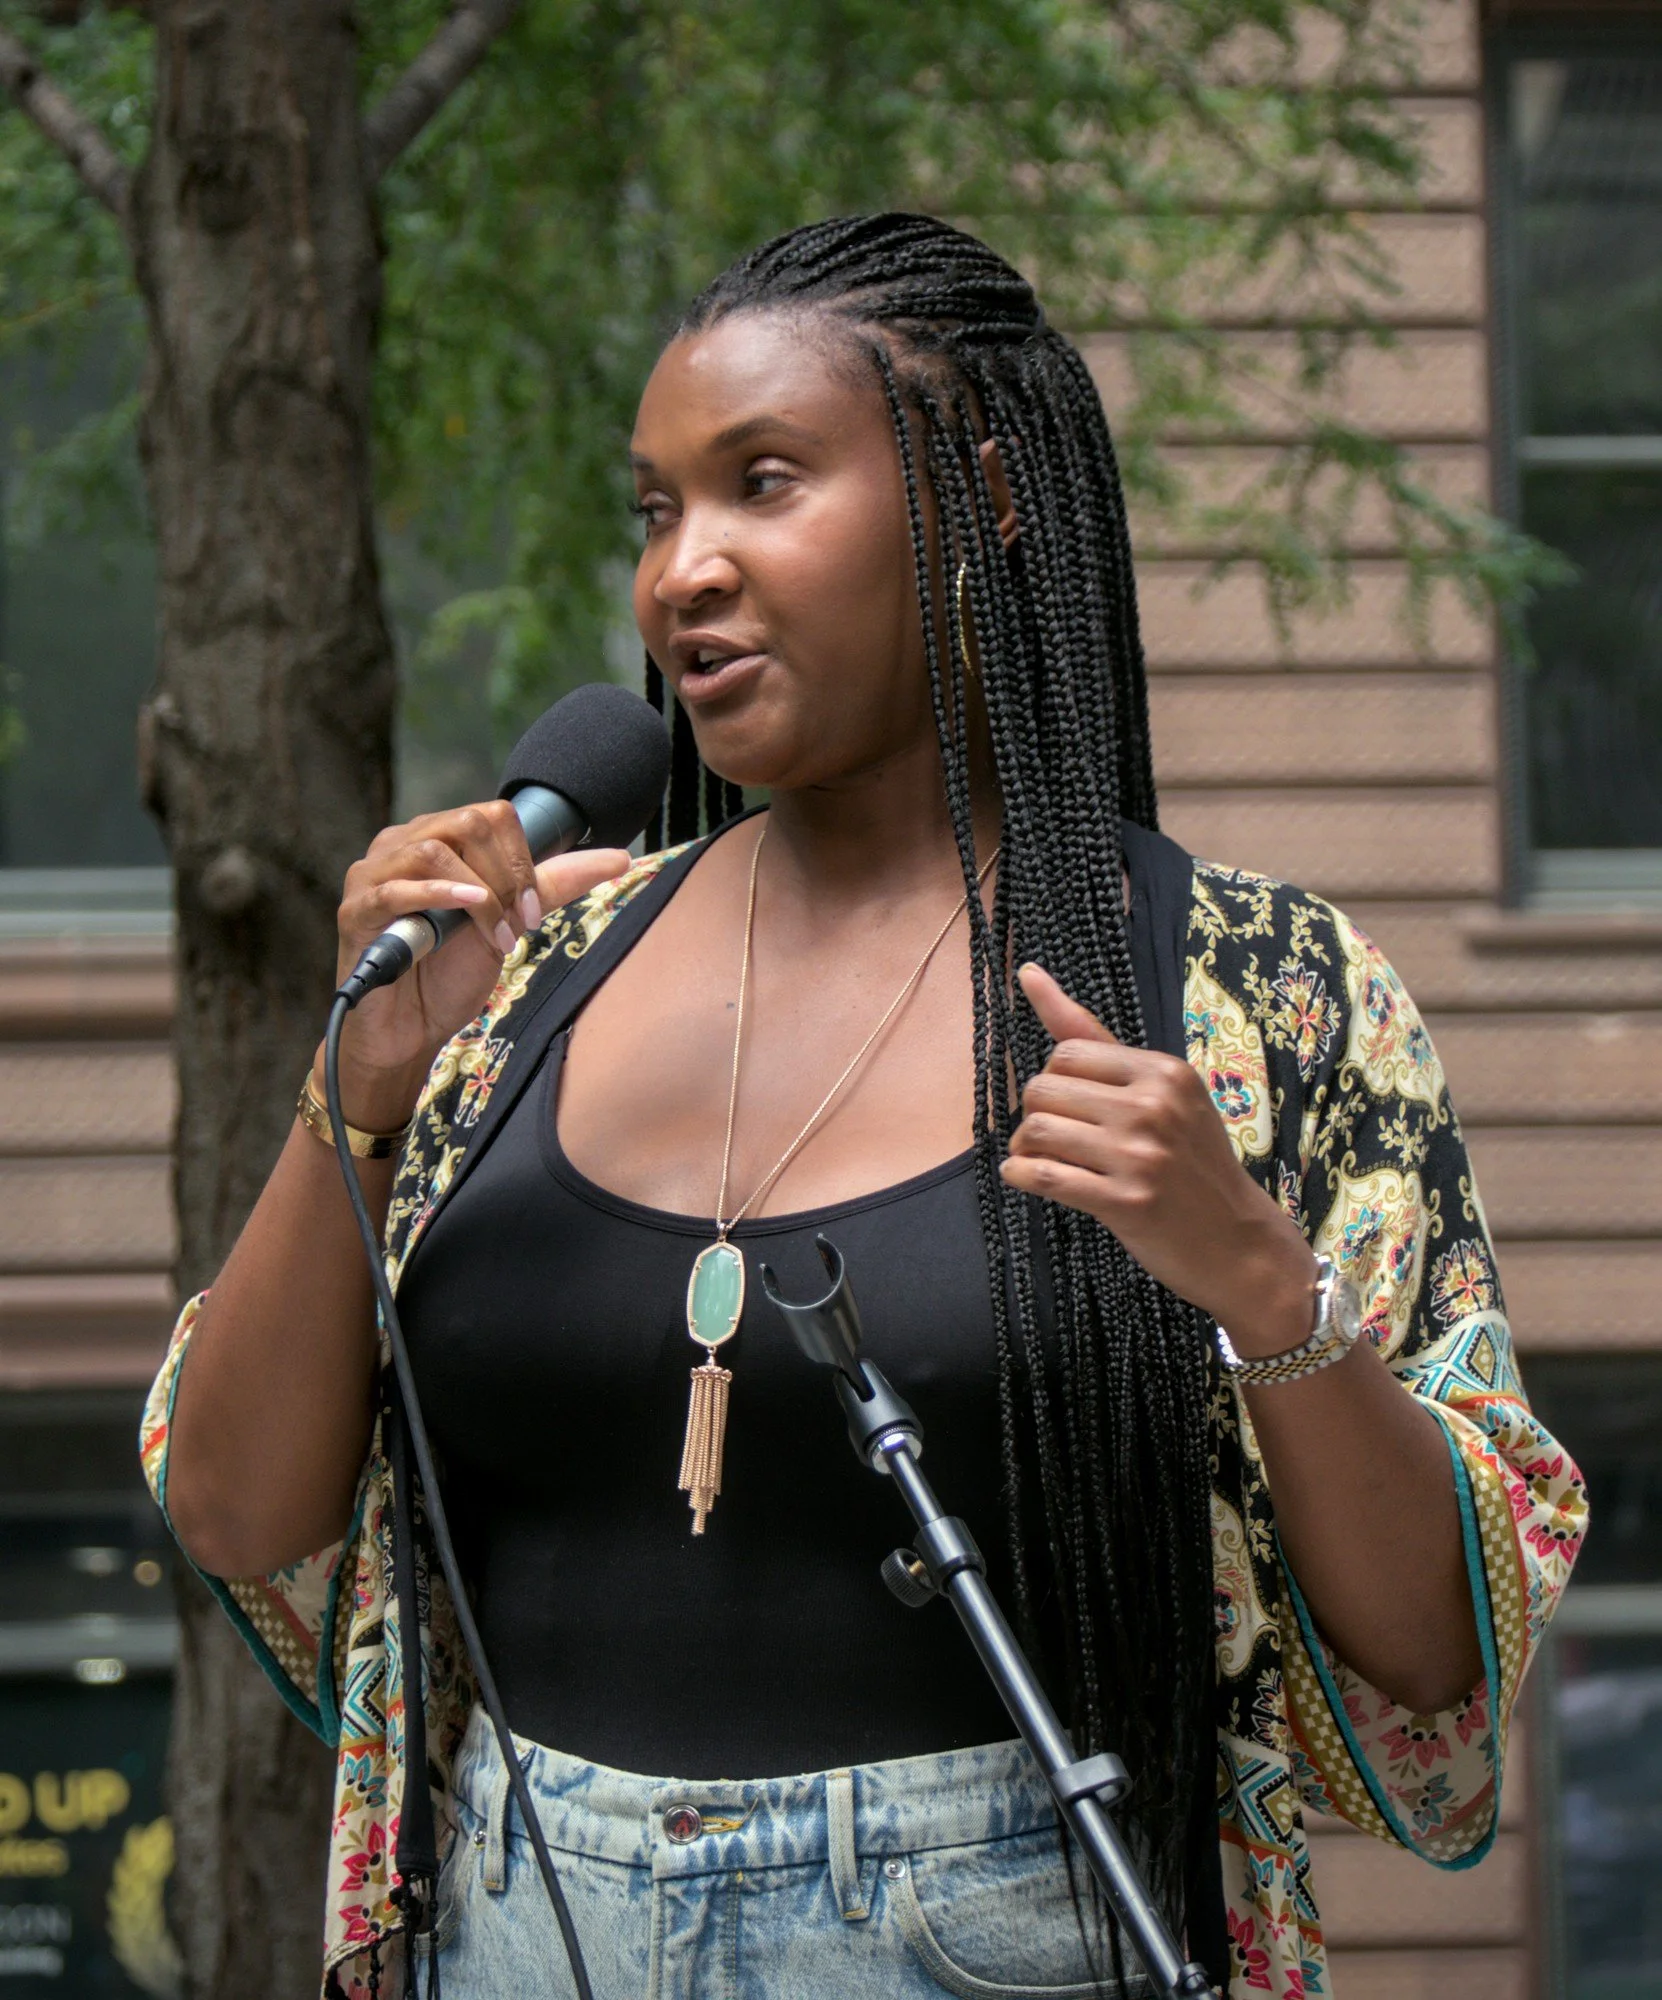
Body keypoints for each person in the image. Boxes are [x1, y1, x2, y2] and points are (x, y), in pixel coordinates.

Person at [142, 214, 1585, 2000]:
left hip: (990, 1933)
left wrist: (1259, 1290)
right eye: (656, 511)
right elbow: (232, 1507)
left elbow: (1431, 1650)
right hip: (521, 1924)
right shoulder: (520, 982)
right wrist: (352, 1098)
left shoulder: (1255, 992)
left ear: (975, 497)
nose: (685, 570)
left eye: (762, 483)